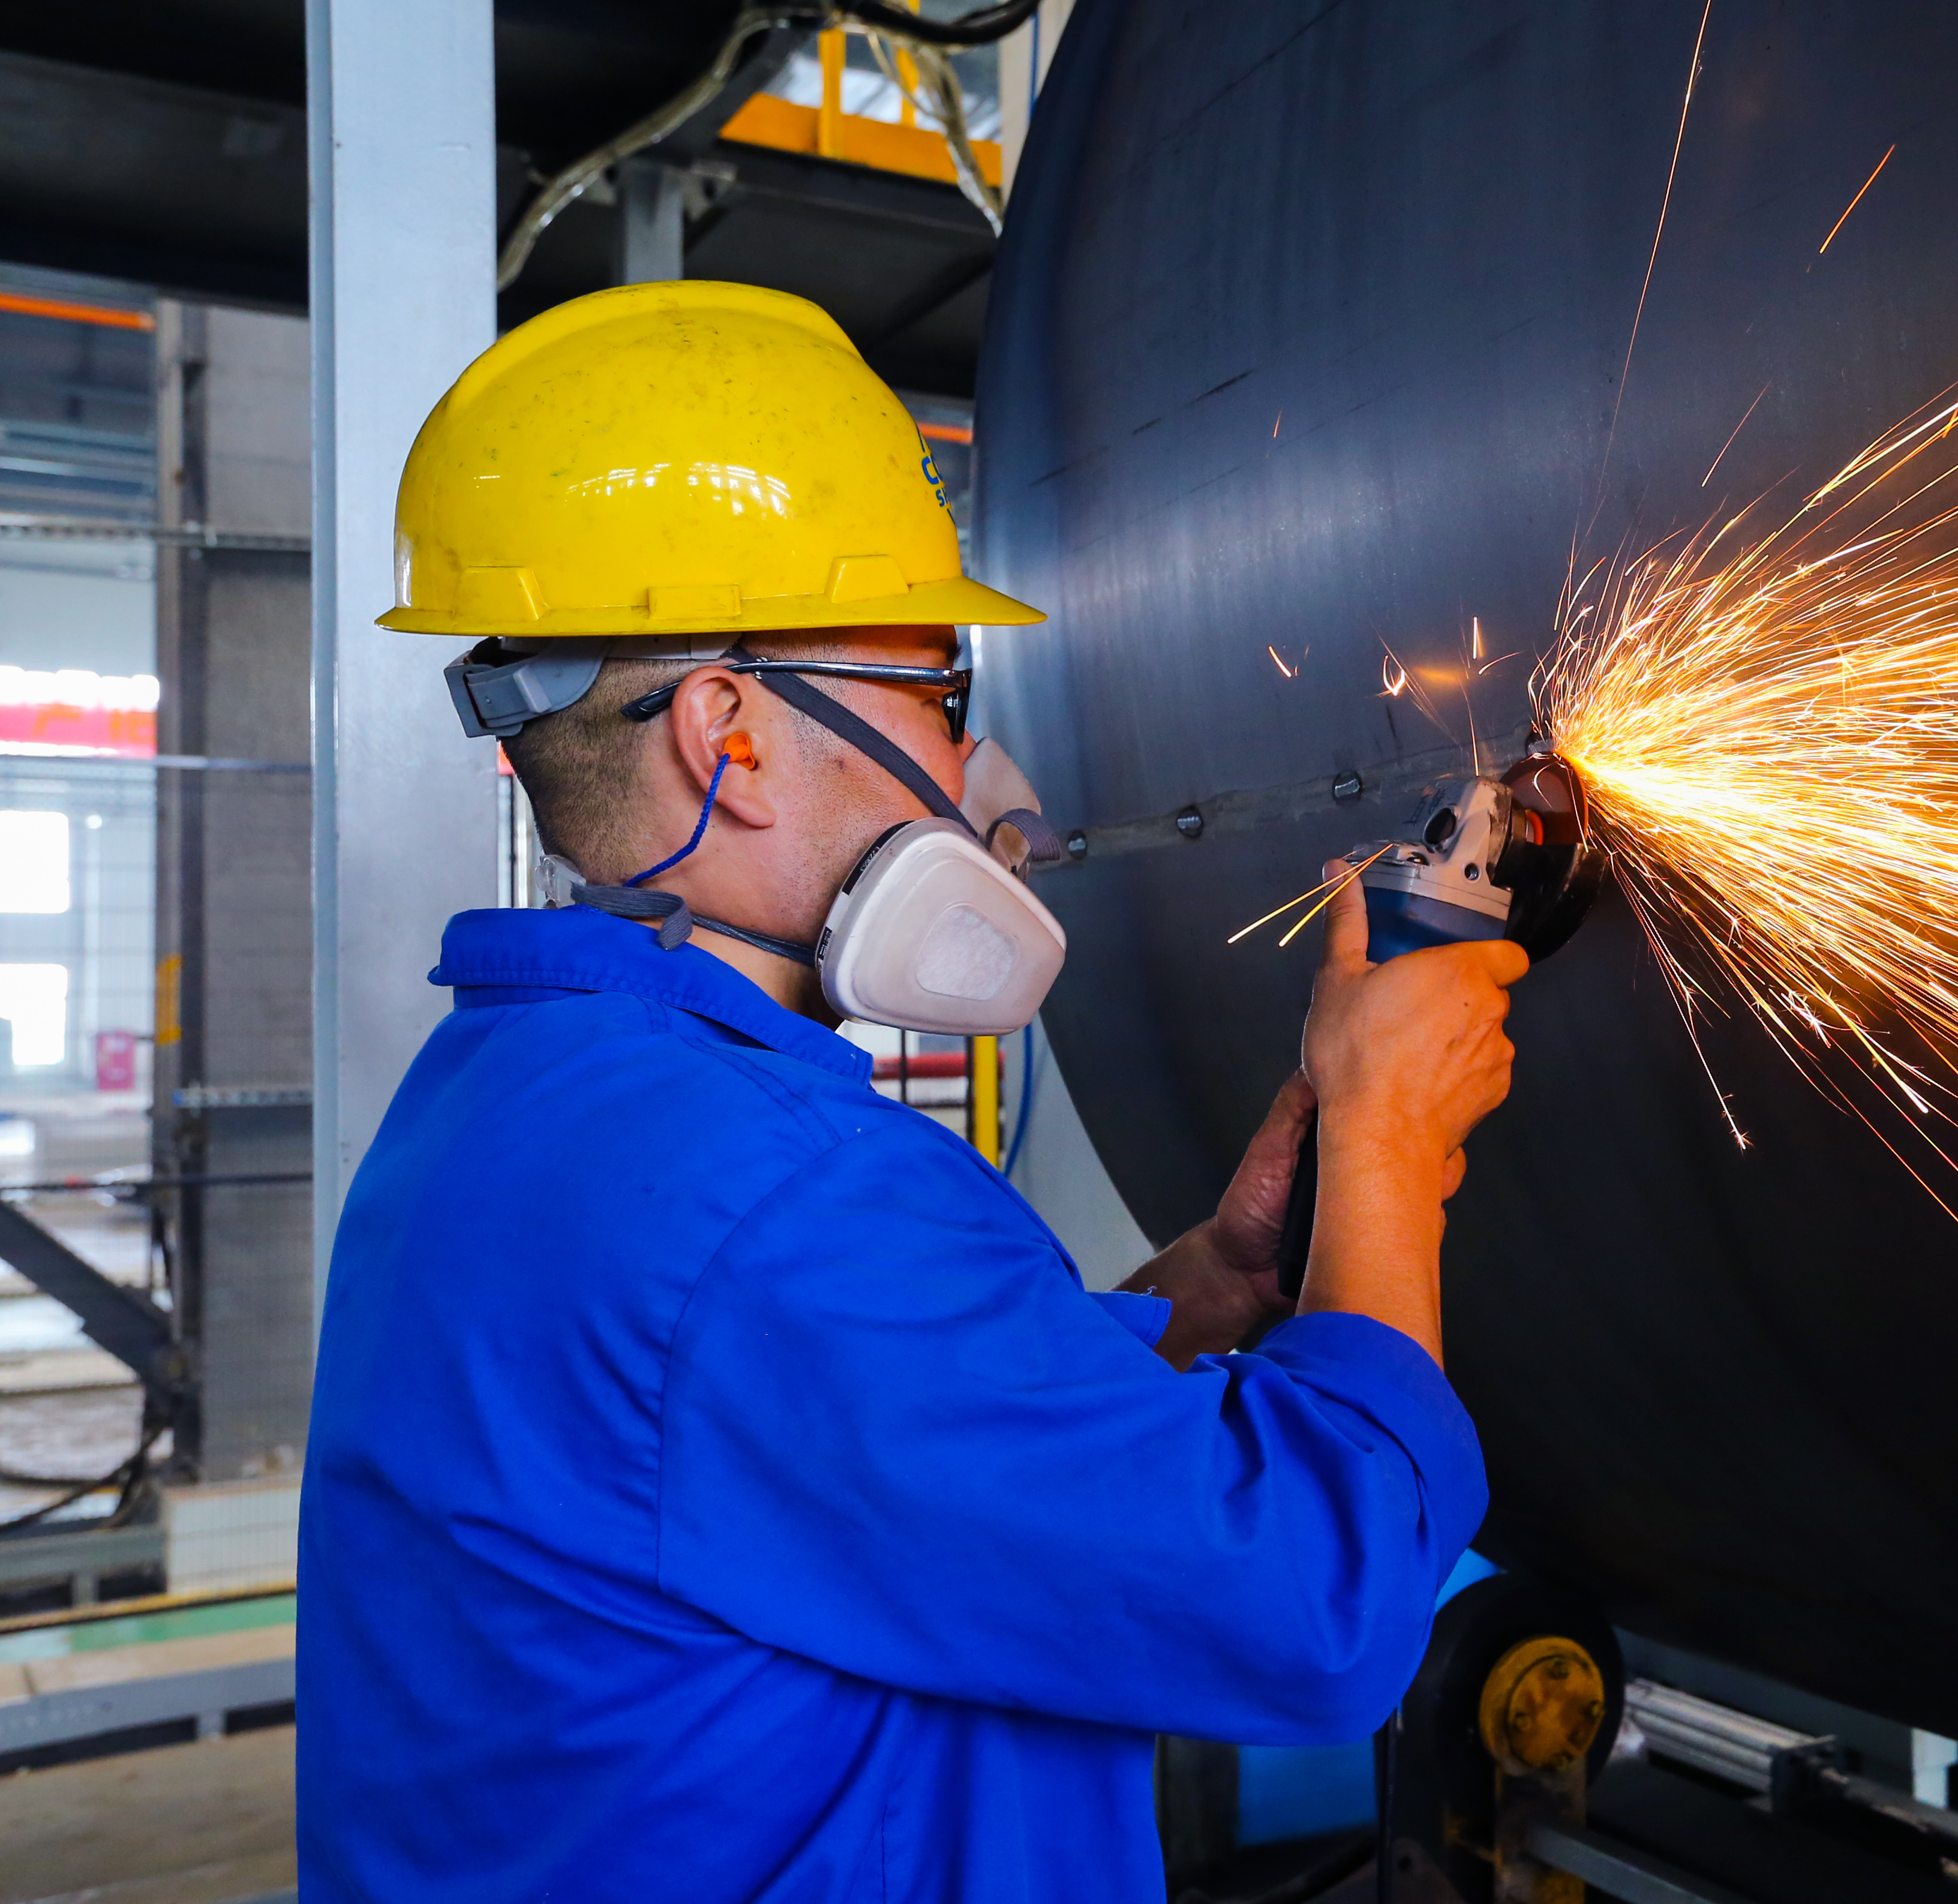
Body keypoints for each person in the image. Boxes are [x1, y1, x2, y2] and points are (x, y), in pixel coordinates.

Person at [295, 283, 1530, 1901]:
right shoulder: (780, 1196)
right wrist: (1387, 1137)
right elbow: (1313, 1608)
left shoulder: (510, 1096)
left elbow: (874, 1449)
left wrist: (1213, 1286)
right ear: (729, 737)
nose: (972, 779)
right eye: (941, 701)